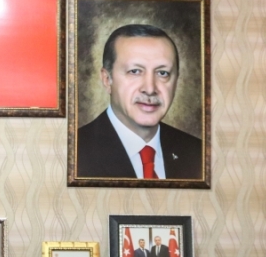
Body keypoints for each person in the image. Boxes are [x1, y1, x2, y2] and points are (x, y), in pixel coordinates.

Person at [77, 24, 203, 180]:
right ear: (107, 79)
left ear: (176, 81)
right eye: (135, 71)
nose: (150, 89)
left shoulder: (198, 153)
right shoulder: (75, 151)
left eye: (162, 73)